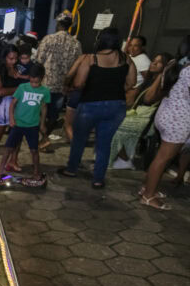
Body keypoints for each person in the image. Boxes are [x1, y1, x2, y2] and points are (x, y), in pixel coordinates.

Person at [58, 27, 136, 189]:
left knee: (79, 138)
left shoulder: (90, 59)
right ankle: (98, 179)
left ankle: (72, 169)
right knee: (104, 143)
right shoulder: (126, 59)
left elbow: (79, 84)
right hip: (116, 106)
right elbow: (131, 83)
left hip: (90, 105)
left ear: (100, 40)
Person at [139, 35, 190, 210]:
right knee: (163, 159)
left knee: (160, 157)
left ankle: (147, 188)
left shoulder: (175, 63)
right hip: (179, 120)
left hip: (165, 114)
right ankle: (148, 196)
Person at [110, 52, 172, 169]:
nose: (153, 63)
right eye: (154, 60)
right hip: (137, 115)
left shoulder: (162, 85)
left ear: (164, 67)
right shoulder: (148, 80)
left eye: (158, 62)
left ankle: (125, 160)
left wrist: (160, 76)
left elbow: (148, 99)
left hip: (146, 120)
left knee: (112, 126)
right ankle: (120, 156)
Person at [34, 11, 82, 149]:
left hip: (45, 84)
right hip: (62, 86)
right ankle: (45, 137)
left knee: (40, 113)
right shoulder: (76, 43)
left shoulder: (48, 39)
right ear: (70, 25)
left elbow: (38, 60)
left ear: (58, 24)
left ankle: (42, 139)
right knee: (53, 115)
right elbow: (77, 66)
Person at [0, 64, 49, 182]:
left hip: (33, 126)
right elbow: (12, 104)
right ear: (29, 77)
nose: (34, 84)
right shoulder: (22, 87)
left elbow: (44, 107)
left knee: (34, 150)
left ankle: (36, 172)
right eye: (32, 81)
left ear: (42, 78)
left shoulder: (45, 91)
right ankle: (0, 171)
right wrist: (11, 118)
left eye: (37, 82)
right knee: (8, 148)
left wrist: (42, 124)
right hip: (18, 124)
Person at [0, 45, 22, 170]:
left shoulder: (18, 68)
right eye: (10, 58)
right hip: (2, 105)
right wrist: (19, 89)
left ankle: (13, 160)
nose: (13, 61)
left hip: (16, 103)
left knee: (17, 134)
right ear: (4, 58)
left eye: (15, 58)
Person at [62, 54, 86, 141]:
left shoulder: (84, 58)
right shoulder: (106, 59)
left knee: (68, 124)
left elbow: (69, 75)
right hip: (93, 96)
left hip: (78, 92)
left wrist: (65, 86)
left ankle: (75, 146)